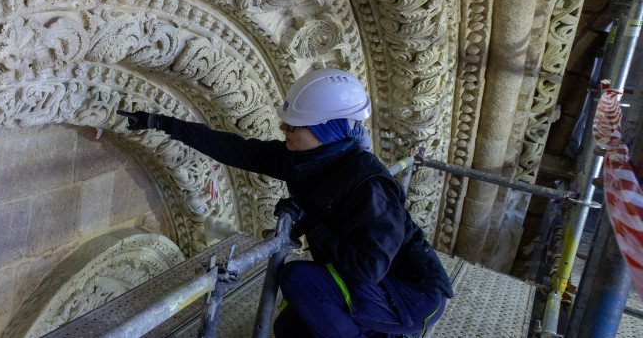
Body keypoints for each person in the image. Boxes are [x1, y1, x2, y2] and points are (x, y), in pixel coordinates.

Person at [117, 68, 452, 338]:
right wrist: (161, 123)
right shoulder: (308, 157)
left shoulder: (368, 186)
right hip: (377, 282)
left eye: (294, 125)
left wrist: (309, 221)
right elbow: (236, 149)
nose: (282, 127)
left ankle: (380, 333)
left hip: (412, 295)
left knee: (297, 278)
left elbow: (369, 268)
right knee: (288, 328)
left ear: (327, 130)